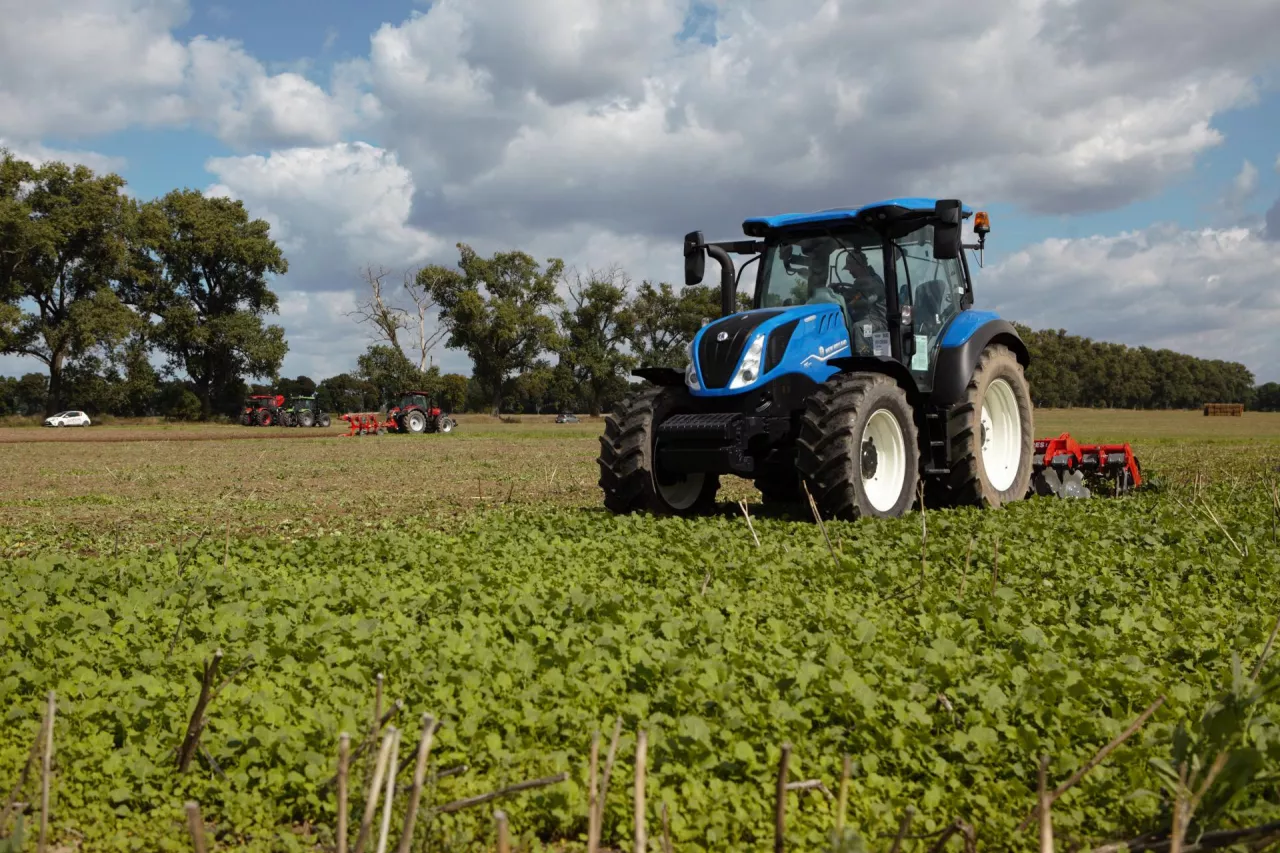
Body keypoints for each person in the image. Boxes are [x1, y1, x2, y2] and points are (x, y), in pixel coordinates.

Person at [841, 248, 888, 355]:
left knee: (859, 328)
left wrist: (850, 302)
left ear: (859, 265)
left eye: (851, 268)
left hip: (878, 322)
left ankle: (863, 359)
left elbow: (866, 301)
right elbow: (857, 295)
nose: (849, 271)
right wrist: (843, 292)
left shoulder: (872, 281)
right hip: (869, 319)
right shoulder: (863, 281)